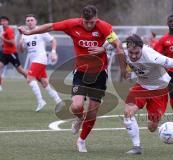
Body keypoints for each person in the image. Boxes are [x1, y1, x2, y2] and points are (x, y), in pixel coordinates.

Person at [18, 5, 126, 153]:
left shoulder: (104, 26)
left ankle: (81, 141)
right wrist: (30, 32)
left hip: (99, 74)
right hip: (80, 72)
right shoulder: (72, 24)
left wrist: (121, 66)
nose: (89, 25)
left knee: (93, 111)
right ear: (82, 19)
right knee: (76, 107)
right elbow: (50, 26)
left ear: (96, 18)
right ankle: (79, 118)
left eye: (92, 22)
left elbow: (118, 45)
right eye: (86, 22)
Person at [18, 14, 62, 112]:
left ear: (36, 21)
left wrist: (53, 52)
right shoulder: (24, 34)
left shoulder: (40, 31)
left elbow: (53, 40)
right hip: (33, 60)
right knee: (45, 83)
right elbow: (21, 50)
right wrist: (20, 43)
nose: (29, 22)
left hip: (41, 58)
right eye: (28, 20)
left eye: (31, 20)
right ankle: (59, 102)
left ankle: (40, 101)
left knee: (29, 78)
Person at [0, 16, 27, 91]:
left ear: (7, 22)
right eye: (2, 21)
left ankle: (32, 80)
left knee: (20, 71)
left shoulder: (9, 30)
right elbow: (6, 42)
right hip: (5, 54)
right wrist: (3, 44)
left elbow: (12, 42)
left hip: (12, 54)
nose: (3, 23)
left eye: (4, 21)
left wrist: (3, 39)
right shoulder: (4, 31)